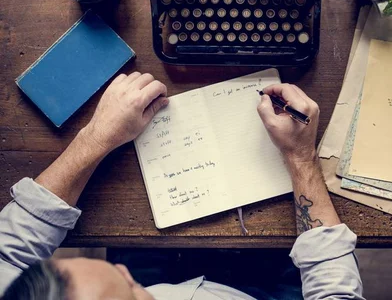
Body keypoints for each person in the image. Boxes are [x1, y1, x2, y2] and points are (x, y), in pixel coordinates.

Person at [0, 72, 364, 300]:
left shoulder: (121, 277)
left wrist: (96, 137)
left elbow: (7, 251)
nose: (122, 272)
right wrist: (301, 158)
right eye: (129, 291)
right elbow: (335, 293)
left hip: (157, 273)